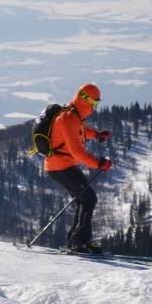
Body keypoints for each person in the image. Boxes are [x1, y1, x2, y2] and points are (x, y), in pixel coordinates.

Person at [44, 83, 112, 254]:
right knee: (89, 199)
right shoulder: (68, 117)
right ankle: (81, 241)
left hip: (63, 166)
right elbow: (76, 150)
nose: (95, 107)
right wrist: (98, 163)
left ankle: (75, 241)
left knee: (83, 199)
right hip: (60, 167)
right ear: (86, 101)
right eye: (95, 103)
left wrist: (97, 135)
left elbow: (80, 131)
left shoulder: (73, 114)